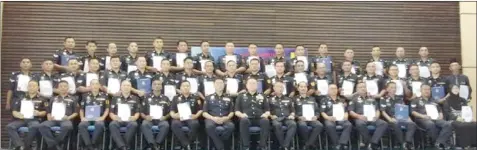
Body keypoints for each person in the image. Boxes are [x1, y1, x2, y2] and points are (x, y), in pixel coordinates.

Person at [7, 80, 47, 150]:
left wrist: (39, 113)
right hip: (21, 119)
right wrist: (17, 114)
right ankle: (19, 145)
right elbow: (14, 111)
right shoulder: (20, 98)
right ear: (27, 87)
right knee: (10, 126)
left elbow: (45, 112)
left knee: (35, 126)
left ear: (38, 88)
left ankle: (26, 146)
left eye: (34, 86)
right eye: (30, 86)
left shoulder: (42, 99)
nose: (31, 87)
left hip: (34, 119)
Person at [39, 80, 78, 150]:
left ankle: (55, 144)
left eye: (65, 86)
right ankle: (55, 145)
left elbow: (76, 112)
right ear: (58, 88)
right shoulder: (53, 98)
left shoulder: (73, 99)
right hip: (53, 120)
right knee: (42, 126)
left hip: (66, 120)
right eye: (61, 86)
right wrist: (49, 116)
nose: (63, 88)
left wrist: (68, 117)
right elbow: (48, 111)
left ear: (68, 88)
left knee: (68, 126)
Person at [410, 84, 452, 149]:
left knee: (448, 124)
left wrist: (441, 115)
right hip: (422, 119)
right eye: (425, 89)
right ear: (421, 90)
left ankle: (438, 142)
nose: (427, 91)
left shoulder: (433, 100)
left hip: (435, 118)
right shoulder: (416, 100)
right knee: (430, 124)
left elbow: (440, 110)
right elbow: (413, 112)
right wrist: (423, 116)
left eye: (428, 89)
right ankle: (438, 143)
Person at [348, 82, 388, 150]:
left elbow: (377, 110)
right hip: (360, 118)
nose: (363, 88)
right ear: (357, 89)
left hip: (373, 118)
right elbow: (351, 112)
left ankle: (373, 142)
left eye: (364, 87)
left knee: (383, 123)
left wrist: (376, 116)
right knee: (360, 124)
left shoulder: (372, 98)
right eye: (360, 87)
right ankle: (369, 142)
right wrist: (358, 116)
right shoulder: (353, 99)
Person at [235, 78, 270, 150]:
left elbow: (268, 111)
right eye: (250, 83)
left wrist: (266, 114)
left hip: (259, 119)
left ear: (257, 86)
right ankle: (246, 146)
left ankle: (262, 146)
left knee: (265, 121)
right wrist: (242, 115)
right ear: (246, 85)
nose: (252, 85)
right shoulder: (240, 96)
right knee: (243, 121)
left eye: (254, 83)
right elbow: (236, 111)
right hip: (247, 119)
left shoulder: (263, 96)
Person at [380, 82, 416, 150]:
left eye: (395, 87)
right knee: (396, 124)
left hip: (402, 119)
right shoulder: (383, 98)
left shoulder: (399, 98)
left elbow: (404, 111)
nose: (393, 89)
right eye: (391, 87)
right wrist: (390, 119)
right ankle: (402, 143)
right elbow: (383, 112)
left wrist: (409, 119)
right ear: (387, 89)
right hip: (391, 119)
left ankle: (407, 142)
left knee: (412, 124)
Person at [202, 78, 235, 150]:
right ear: (214, 85)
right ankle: (221, 147)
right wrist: (213, 118)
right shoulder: (208, 97)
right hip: (211, 118)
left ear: (224, 85)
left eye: (221, 83)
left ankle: (216, 144)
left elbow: (232, 112)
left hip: (225, 119)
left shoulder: (229, 97)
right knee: (209, 127)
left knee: (231, 126)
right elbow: (204, 113)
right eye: (217, 83)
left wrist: (226, 118)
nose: (219, 85)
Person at [170, 81, 203, 150]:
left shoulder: (196, 97)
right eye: (183, 86)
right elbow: (172, 111)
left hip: (191, 118)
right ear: (180, 88)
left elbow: (200, 109)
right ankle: (187, 144)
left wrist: (196, 116)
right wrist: (173, 115)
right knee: (174, 124)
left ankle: (186, 144)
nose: (185, 87)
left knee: (195, 124)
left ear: (190, 87)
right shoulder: (175, 97)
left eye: (187, 86)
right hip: (179, 118)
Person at [108, 80, 141, 150]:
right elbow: (111, 112)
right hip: (118, 120)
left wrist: (135, 117)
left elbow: (137, 112)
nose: (126, 87)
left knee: (134, 124)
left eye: (128, 85)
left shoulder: (136, 98)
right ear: (121, 87)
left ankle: (120, 146)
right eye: (124, 85)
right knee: (112, 124)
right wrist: (114, 117)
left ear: (131, 87)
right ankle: (124, 146)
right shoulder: (115, 98)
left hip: (130, 120)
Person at [78, 79, 109, 150]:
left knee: (100, 125)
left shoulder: (105, 96)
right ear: (90, 86)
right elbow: (82, 109)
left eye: (96, 84)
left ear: (99, 86)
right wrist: (82, 118)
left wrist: (103, 118)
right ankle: (89, 145)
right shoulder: (85, 96)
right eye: (93, 84)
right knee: (81, 125)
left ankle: (93, 143)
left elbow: (107, 109)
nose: (95, 86)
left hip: (99, 118)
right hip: (87, 119)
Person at [140, 79, 171, 150]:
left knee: (166, 125)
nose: (157, 86)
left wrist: (165, 117)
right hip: (149, 120)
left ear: (162, 87)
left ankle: (156, 143)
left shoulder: (166, 98)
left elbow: (170, 112)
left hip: (161, 120)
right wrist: (145, 117)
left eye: (159, 84)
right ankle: (153, 144)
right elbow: (141, 112)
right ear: (151, 86)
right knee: (144, 124)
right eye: (155, 84)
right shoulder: (146, 97)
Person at [321, 84, 352, 150]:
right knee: (329, 126)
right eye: (331, 89)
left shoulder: (342, 100)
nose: (334, 90)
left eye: (335, 88)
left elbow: (346, 111)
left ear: (337, 90)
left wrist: (345, 116)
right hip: (330, 118)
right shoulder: (324, 100)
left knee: (348, 125)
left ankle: (342, 144)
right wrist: (328, 118)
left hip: (341, 119)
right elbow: (322, 112)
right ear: (328, 90)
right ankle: (337, 144)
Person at [294, 81, 322, 150]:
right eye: (301, 87)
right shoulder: (294, 99)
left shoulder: (312, 98)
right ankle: (310, 144)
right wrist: (298, 117)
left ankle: (307, 144)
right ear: (298, 88)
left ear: (307, 88)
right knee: (302, 126)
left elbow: (317, 111)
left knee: (319, 125)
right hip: (301, 119)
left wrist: (316, 116)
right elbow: (292, 111)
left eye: (305, 87)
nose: (303, 88)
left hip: (312, 119)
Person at [268, 81, 296, 150]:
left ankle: (284, 145)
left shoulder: (288, 99)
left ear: (283, 89)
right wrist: (271, 116)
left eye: (281, 87)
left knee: (293, 124)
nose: (279, 88)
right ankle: (285, 146)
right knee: (277, 125)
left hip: (287, 118)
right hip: (276, 118)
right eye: (278, 87)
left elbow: (293, 110)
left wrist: (292, 115)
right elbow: (267, 110)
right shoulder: (269, 99)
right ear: (274, 88)